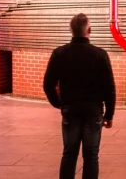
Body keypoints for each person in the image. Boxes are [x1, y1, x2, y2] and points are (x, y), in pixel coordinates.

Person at [43, 13, 116, 179]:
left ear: (71, 30)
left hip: (70, 110)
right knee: (91, 155)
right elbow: (109, 87)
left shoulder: (59, 53)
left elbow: (48, 84)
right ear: (89, 30)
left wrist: (59, 103)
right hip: (93, 111)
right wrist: (109, 114)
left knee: (69, 154)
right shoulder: (100, 54)